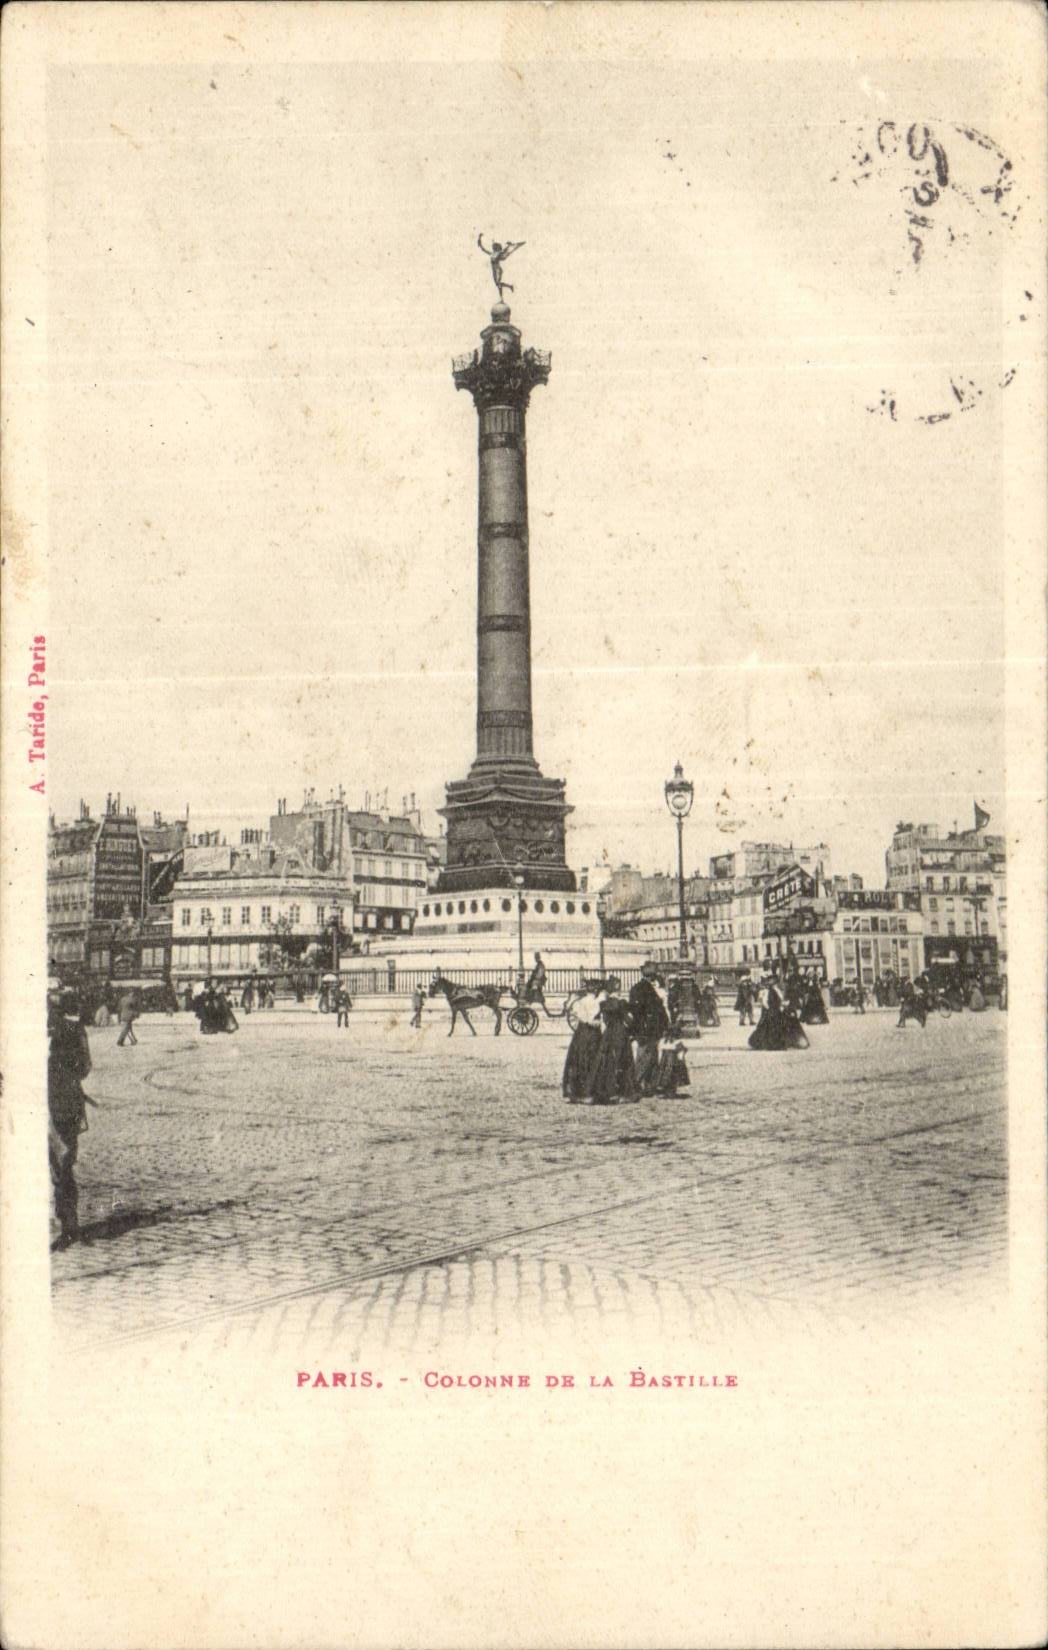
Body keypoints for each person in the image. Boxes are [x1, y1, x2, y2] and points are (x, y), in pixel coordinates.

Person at [48, 989, 93, 1249]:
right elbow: (85, 1067)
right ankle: (67, 1224)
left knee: (60, 1165)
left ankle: (66, 1224)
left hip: (55, 1105)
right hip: (62, 1105)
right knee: (62, 1165)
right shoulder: (74, 1031)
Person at [587, 978, 638, 1104]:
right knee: (623, 1060)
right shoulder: (621, 1003)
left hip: (609, 1033)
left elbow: (601, 1019)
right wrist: (632, 1029)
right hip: (620, 1033)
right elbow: (628, 1020)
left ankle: (604, 1090)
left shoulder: (604, 1004)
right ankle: (623, 1092)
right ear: (617, 989)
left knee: (606, 1060)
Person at [628, 962, 671, 1095]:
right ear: (651, 976)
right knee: (646, 1056)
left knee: (650, 1056)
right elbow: (648, 1009)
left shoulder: (638, 988)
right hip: (648, 1028)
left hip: (647, 1027)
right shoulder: (644, 988)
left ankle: (648, 1085)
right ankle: (636, 1085)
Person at [562, 986, 604, 1102]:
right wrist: (596, 1022)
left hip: (581, 1033)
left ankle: (577, 1091)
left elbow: (583, 1018)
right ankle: (589, 1091)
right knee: (591, 1058)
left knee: (578, 1059)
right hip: (591, 1033)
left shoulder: (579, 1002)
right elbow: (590, 1019)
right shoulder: (596, 1001)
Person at [655, 1027, 690, 1097]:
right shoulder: (678, 1043)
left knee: (665, 1075)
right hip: (674, 1063)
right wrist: (681, 1061)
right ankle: (671, 1091)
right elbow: (681, 1054)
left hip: (664, 1062)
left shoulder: (663, 1041)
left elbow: (660, 1051)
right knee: (673, 1077)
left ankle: (665, 1090)